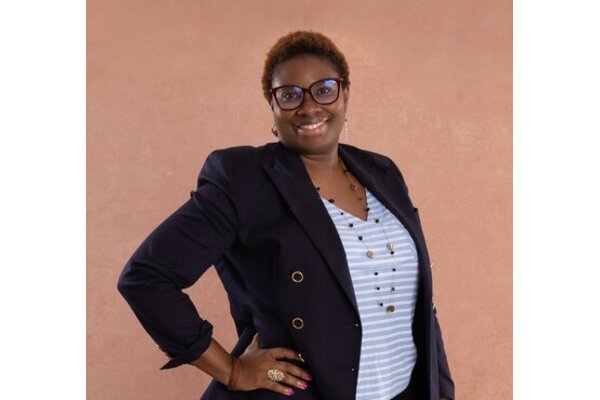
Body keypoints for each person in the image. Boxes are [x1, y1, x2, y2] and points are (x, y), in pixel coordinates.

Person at [117, 30, 455, 400]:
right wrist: (232, 370)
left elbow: (420, 307)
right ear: (272, 104)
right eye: (290, 95)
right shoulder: (244, 178)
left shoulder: (382, 171)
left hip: (405, 390)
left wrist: (441, 388)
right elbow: (146, 277)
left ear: (344, 93)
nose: (309, 107)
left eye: (324, 89)